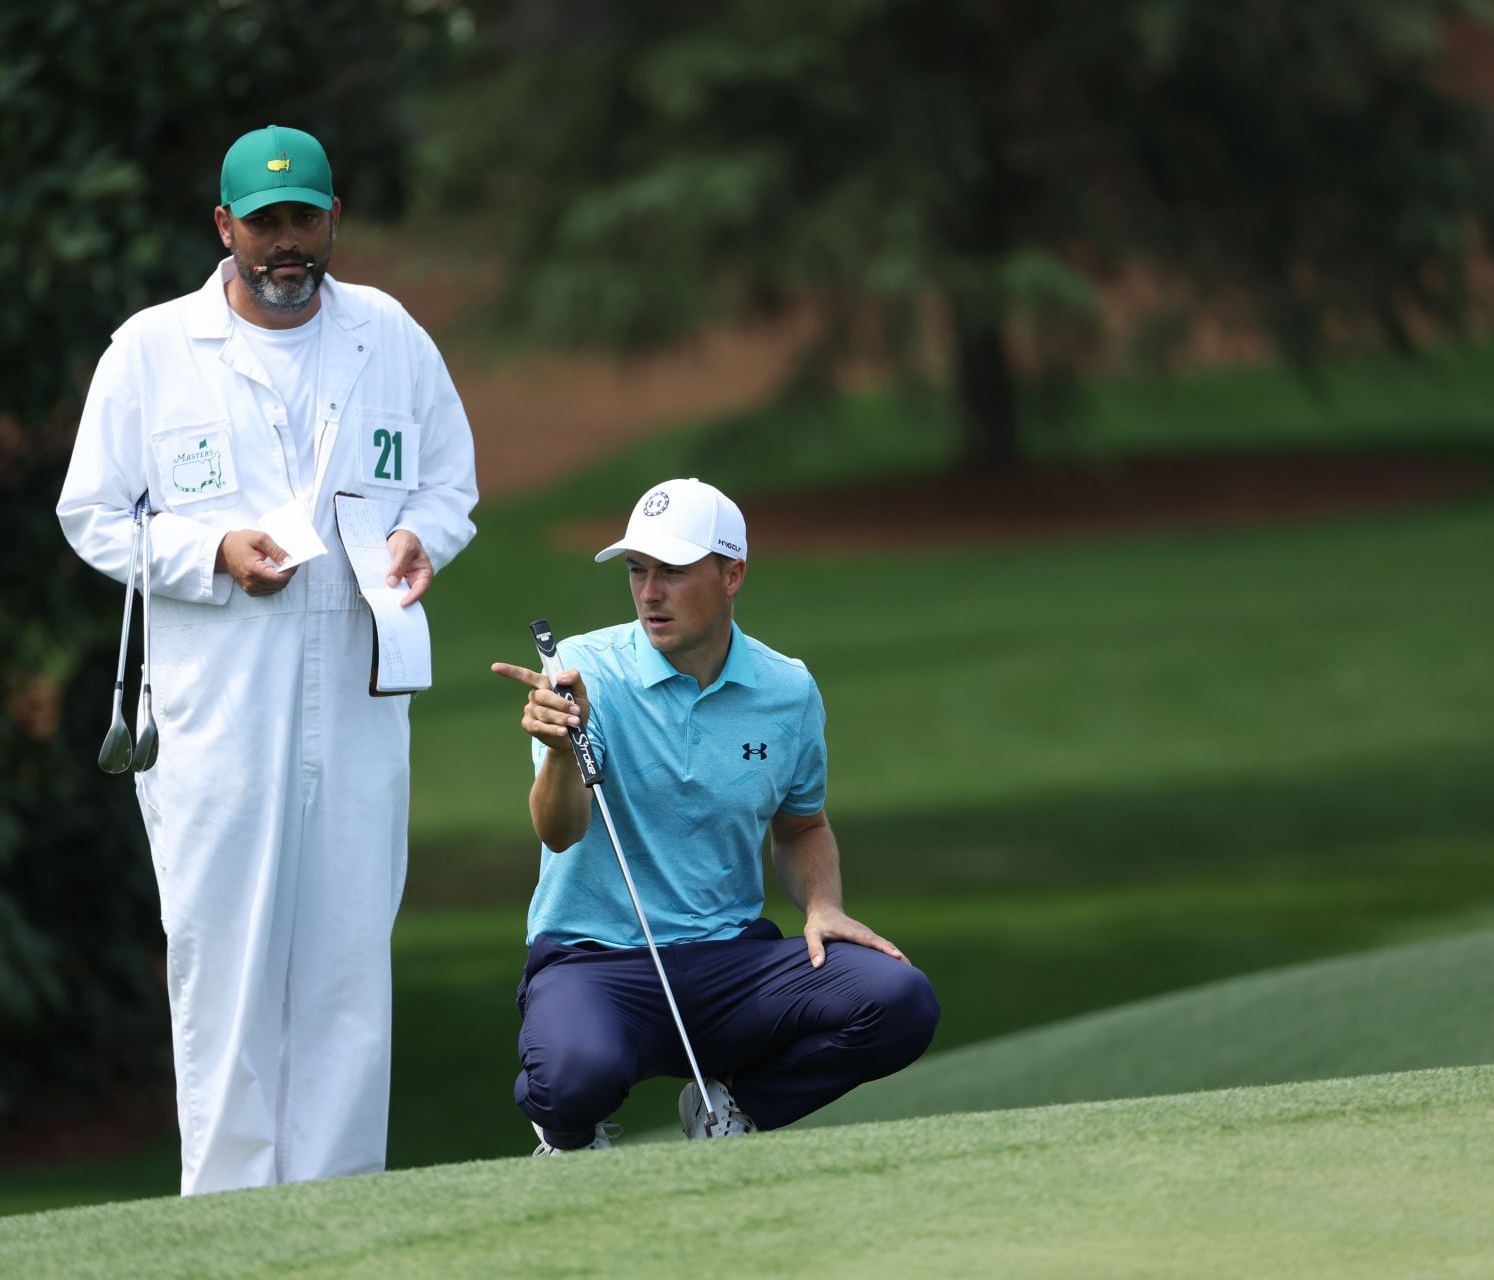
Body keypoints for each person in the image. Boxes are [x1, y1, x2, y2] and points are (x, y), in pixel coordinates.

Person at [57, 125, 478, 1193]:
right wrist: (210, 551)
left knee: (347, 970)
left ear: (334, 220)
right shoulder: (150, 351)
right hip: (217, 715)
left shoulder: (389, 334)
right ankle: (233, 1221)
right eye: (264, 223)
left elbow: (447, 482)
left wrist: (423, 537)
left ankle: (341, 1213)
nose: (285, 245)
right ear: (224, 226)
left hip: (359, 695)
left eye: (304, 221)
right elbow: (92, 514)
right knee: (226, 973)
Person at [489, 478, 937, 1153]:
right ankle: (569, 1134)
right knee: (573, 1078)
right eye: (639, 571)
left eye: (672, 571)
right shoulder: (583, 673)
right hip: (595, 962)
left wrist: (823, 905)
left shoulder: (786, 689)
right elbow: (560, 830)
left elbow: (802, 825)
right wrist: (557, 753)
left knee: (900, 1001)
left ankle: (731, 1107)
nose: (649, 592)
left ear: (732, 575)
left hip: (731, 966)